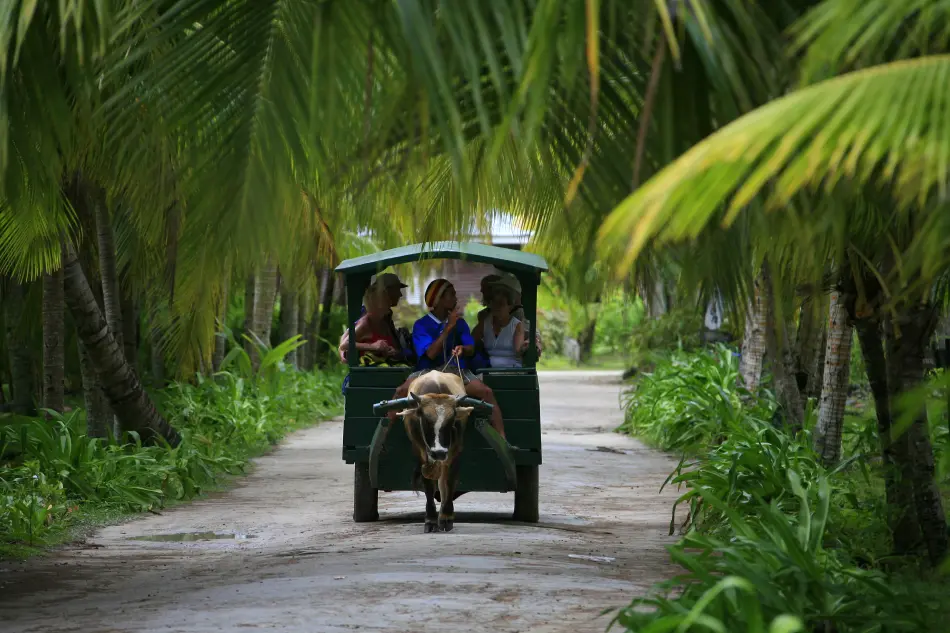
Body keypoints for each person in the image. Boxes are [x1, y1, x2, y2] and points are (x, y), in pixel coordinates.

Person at [388, 278, 507, 439]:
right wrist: (448, 328)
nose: (456, 298)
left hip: (455, 372)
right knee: (401, 391)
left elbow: (471, 348)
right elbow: (430, 354)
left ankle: (502, 440)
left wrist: (463, 349)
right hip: (426, 373)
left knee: (486, 392)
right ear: (439, 299)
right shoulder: (421, 325)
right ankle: (383, 438)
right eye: (451, 295)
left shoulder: (460, 323)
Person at [338, 272, 411, 363]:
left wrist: (392, 351)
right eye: (397, 290)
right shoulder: (368, 319)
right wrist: (373, 347)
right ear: (387, 292)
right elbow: (345, 344)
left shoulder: (386, 317)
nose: (400, 294)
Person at [473, 278, 528, 368]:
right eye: (494, 303)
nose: (497, 307)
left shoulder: (517, 325)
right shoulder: (485, 323)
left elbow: (518, 350)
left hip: (511, 369)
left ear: (509, 307)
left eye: (501, 304)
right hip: (488, 370)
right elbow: (471, 341)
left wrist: (525, 347)